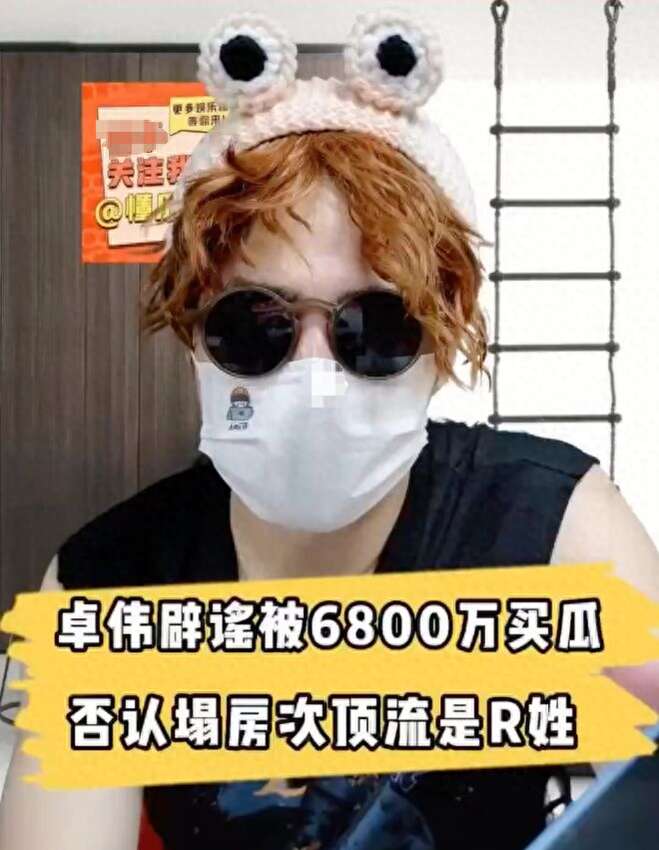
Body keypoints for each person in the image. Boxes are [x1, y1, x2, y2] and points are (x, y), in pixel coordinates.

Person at [1, 10, 658, 850]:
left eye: (374, 327)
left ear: (442, 339)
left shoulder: (548, 522)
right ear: (192, 336)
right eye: (256, 325)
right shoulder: (109, 580)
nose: (314, 376)